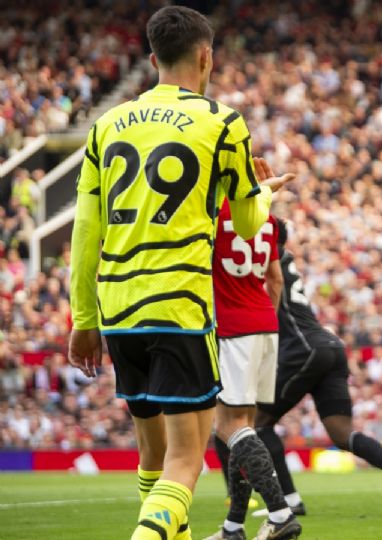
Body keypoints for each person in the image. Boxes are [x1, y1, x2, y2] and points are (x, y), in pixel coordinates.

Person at [67, 6, 293, 540]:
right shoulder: (222, 122)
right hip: (179, 308)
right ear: (206, 56)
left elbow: (84, 235)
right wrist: (262, 194)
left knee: (154, 458)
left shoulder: (106, 125)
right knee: (186, 463)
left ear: (152, 60)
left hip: (118, 311)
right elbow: (242, 221)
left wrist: (82, 318)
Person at [215, 217, 382, 520]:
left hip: (304, 349)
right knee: (342, 434)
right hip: (329, 346)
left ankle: (288, 500)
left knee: (257, 423)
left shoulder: (260, 263)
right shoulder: (283, 260)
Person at [205, 199, 301, 540]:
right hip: (264, 322)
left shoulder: (212, 214)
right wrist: (266, 322)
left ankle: (279, 512)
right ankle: (233, 527)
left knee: (228, 426)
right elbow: (275, 280)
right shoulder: (267, 218)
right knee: (244, 428)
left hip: (232, 327)